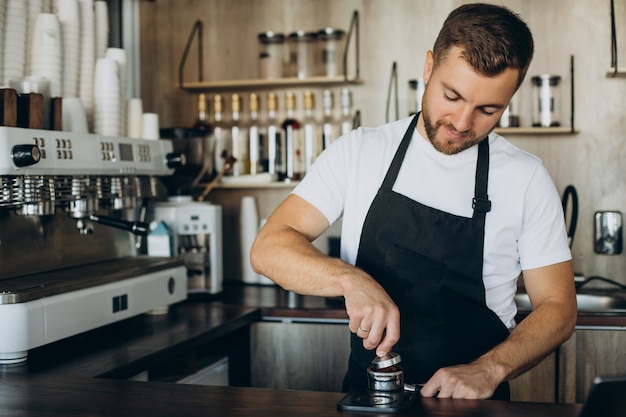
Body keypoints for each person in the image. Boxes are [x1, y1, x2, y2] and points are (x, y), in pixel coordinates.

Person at [250, 3, 577, 400]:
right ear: (428, 68)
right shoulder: (359, 152)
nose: (461, 122)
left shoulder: (526, 178)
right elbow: (269, 247)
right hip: (371, 398)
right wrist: (351, 281)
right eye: (451, 96)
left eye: (488, 110)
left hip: (475, 404)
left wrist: (488, 370)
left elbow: (558, 307)